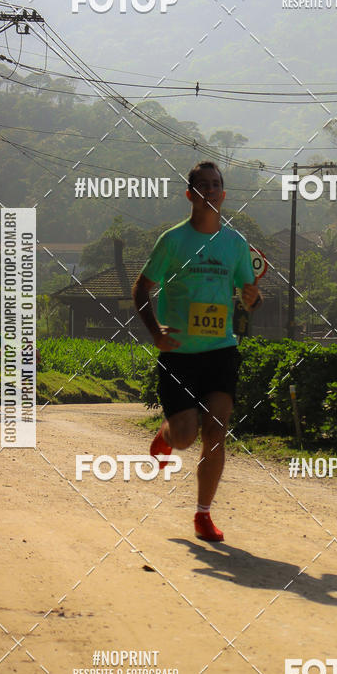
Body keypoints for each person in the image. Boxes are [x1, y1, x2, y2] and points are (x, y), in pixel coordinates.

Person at [133, 161, 262, 542]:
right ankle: (167, 435)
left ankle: (203, 514)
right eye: (202, 185)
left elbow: (248, 295)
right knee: (187, 436)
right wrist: (155, 332)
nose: (210, 189)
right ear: (190, 194)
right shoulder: (173, 241)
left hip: (221, 350)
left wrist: (253, 297)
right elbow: (142, 289)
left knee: (216, 431)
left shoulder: (235, 243)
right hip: (179, 355)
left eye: (216, 184)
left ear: (223, 194)